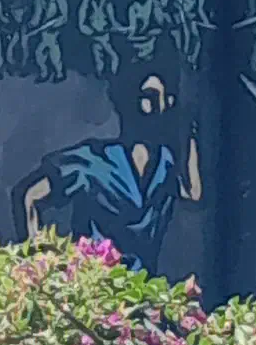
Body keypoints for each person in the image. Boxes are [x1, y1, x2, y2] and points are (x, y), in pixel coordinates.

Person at [22, 62, 201, 270]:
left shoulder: (165, 162)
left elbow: (192, 193)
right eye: (145, 97)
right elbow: (30, 197)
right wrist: (40, 265)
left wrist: (190, 133)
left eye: (156, 98)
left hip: (144, 285)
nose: (150, 107)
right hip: (96, 284)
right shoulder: (93, 160)